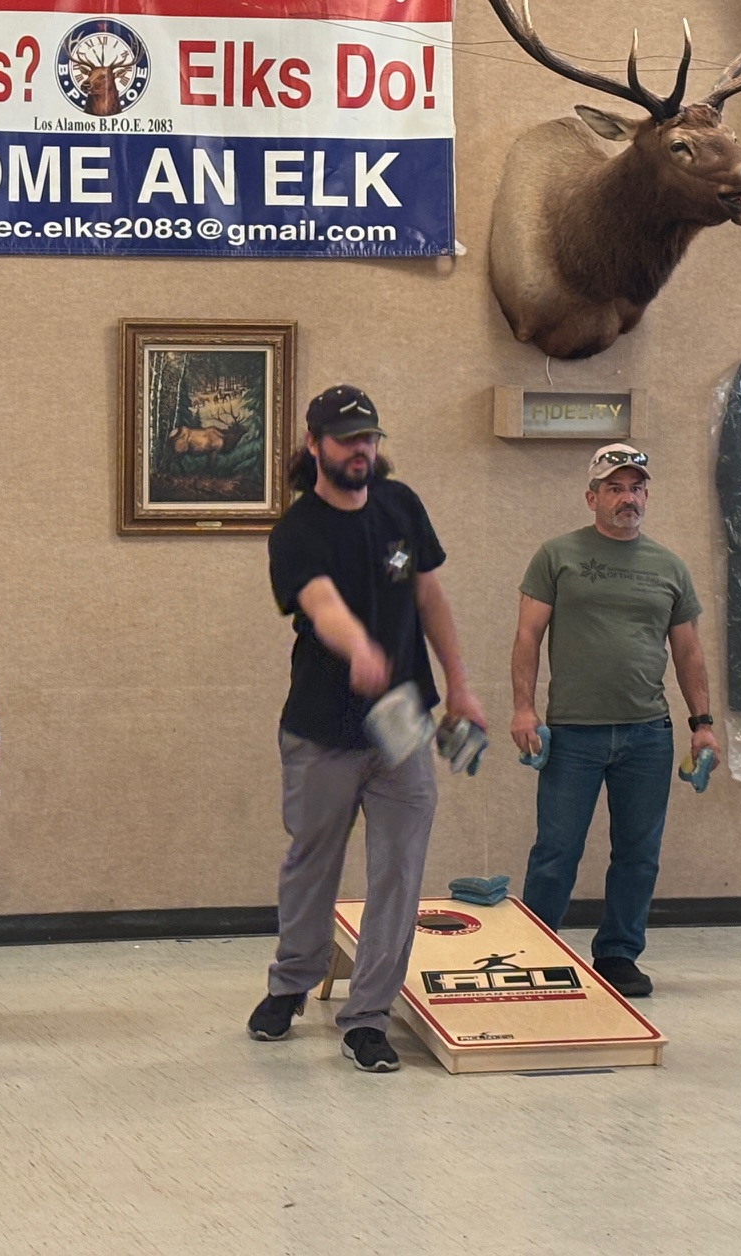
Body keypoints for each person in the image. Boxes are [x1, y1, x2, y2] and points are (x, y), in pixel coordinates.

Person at [247, 385, 485, 1073]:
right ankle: (291, 981)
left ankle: (369, 1016)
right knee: (312, 860)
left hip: (402, 725)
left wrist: (462, 687)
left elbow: (429, 596)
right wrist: (358, 646)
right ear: (315, 444)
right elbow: (322, 604)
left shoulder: (400, 505)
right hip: (322, 729)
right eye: (349, 439)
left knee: (399, 872)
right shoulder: (297, 531)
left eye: (371, 439)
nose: (362, 451)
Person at [510, 445, 716, 999]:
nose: (628, 498)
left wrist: (702, 723)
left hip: (648, 733)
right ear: (592, 497)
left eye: (637, 488)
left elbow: (689, 652)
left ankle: (619, 954)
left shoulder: (668, 566)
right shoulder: (558, 556)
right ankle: (537, 951)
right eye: (616, 488)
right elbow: (528, 636)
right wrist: (524, 709)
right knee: (556, 850)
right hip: (573, 732)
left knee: (639, 852)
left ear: (647, 496)